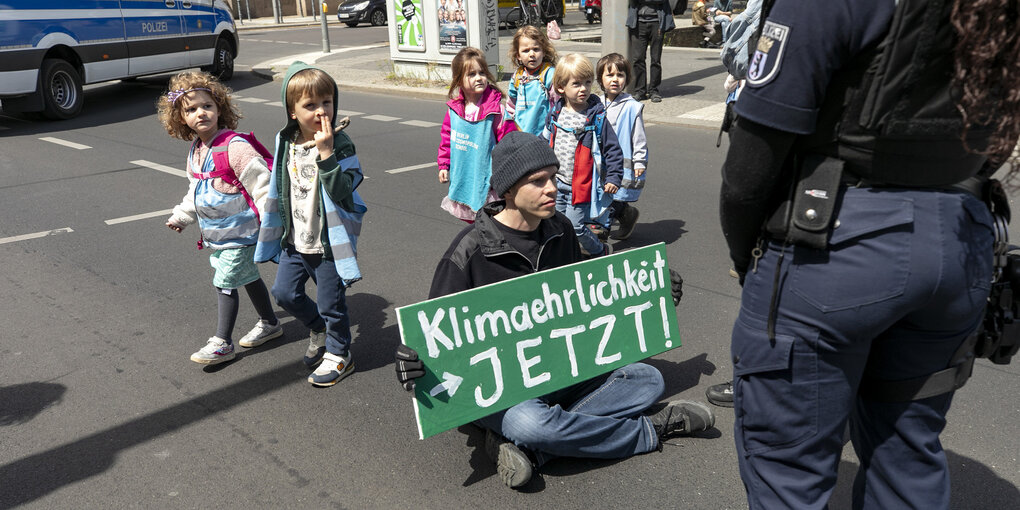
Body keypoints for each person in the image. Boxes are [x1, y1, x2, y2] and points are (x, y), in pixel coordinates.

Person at [719, 0, 1019, 507]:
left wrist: (748, 258)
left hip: (835, 248)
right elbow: (991, 142)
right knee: (907, 452)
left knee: (787, 468)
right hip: (958, 245)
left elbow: (749, 170)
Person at [396, 131, 716, 489]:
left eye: (553, 176)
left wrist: (652, 288)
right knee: (528, 424)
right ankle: (649, 430)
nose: (552, 187)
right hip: (508, 392)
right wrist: (412, 362)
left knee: (648, 380)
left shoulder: (561, 229)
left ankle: (535, 451)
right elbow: (435, 338)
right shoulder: (468, 253)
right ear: (508, 190)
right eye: (538, 181)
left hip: (565, 370)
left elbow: (595, 292)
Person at [254, 62, 367, 387]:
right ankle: (317, 327)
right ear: (292, 111)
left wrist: (327, 153)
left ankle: (340, 354)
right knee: (284, 293)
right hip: (295, 238)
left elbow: (343, 190)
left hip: (328, 243)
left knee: (333, 303)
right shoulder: (286, 142)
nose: (321, 111)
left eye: (327, 102)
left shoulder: (341, 143)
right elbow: (281, 186)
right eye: (310, 105)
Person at [158, 71, 282, 366]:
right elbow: (196, 190)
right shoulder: (197, 151)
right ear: (180, 117)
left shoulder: (235, 147)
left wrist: (272, 224)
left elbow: (263, 185)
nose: (200, 113)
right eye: (190, 109)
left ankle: (222, 342)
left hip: (245, 233)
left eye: (207, 106)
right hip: (222, 234)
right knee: (248, 277)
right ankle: (270, 323)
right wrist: (182, 216)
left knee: (225, 280)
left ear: (219, 108)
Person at [545, 53, 625, 257]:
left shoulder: (595, 118)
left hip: (581, 185)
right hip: (557, 181)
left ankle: (600, 251)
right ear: (561, 87)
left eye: (588, 83)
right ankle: (565, 255)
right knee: (557, 224)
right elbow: (544, 142)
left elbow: (613, 149)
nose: (584, 89)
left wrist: (614, 177)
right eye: (577, 84)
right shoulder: (556, 113)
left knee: (577, 227)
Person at [437, 47, 517, 222]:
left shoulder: (496, 111)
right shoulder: (454, 110)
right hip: (465, 176)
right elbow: (447, 139)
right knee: (472, 223)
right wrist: (444, 165)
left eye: (482, 72)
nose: (479, 78)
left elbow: (510, 143)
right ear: (459, 80)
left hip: (488, 182)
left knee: (490, 223)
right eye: (471, 74)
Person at [595, 53, 647, 241]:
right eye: (609, 75)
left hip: (620, 163)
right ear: (600, 78)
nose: (615, 79)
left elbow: (638, 137)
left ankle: (601, 238)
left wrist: (640, 161)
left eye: (620, 75)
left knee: (609, 198)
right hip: (600, 161)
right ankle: (626, 213)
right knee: (603, 195)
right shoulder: (595, 103)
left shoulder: (632, 107)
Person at [505, 26, 558, 137]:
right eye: (526, 51)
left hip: (543, 135)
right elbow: (510, 106)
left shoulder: (549, 75)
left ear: (544, 51)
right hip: (520, 133)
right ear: (518, 56)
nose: (531, 54)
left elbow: (557, 105)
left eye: (536, 49)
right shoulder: (517, 76)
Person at [626, 0, 675, 102]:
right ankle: (640, 91)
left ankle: (654, 90)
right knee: (638, 59)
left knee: (655, 59)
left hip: (657, 22)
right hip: (637, 23)